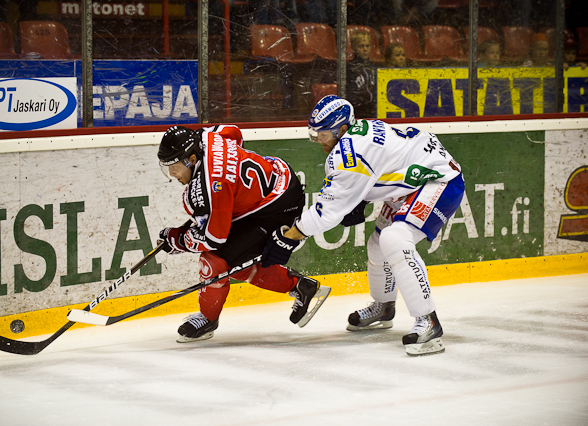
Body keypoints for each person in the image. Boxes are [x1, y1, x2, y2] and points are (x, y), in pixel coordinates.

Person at [261, 95, 465, 356]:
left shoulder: (350, 155)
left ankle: (429, 322)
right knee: (378, 244)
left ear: (342, 129)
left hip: (439, 181)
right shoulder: (359, 131)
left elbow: (327, 213)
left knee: (394, 239)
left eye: (322, 135)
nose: (318, 141)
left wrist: (290, 236)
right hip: (414, 182)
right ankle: (383, 307)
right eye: (314, 135)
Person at [157, 125, 331, 343]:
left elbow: (213, 239)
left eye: (174, 167)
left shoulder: (209, 187)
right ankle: (301, 287)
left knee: (214, 262)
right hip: (279, 180)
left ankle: (208, 320)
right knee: (235, 261)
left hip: (276, 209)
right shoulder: (206, 135)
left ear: (191, 159)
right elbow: (234, 131)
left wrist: (179, 240)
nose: (172, 174)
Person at [347, 31, 377, 118]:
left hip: (373, 113)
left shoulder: (373, 68)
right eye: (361, 46)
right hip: (357, 114)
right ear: (353, 48)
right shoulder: (349, 69)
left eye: (367, 46)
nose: (365, 49)